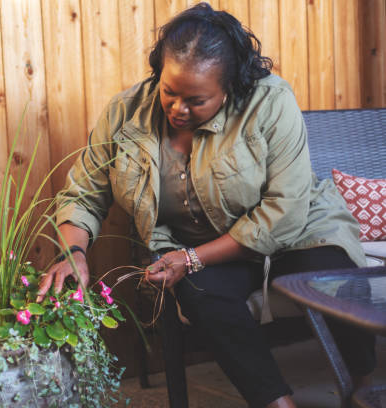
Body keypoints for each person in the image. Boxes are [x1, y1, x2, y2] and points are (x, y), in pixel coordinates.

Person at [36, 3, 376, 407]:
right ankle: (277, 402)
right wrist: (74, 252)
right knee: (200, 293)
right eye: (169, 92)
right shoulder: (125, 112)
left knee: (329, 276)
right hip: (209, 251)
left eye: (196, 100)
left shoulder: (270, 101)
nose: (178, 109)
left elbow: (284, 210)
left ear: (229, 86)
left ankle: (363, 384)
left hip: (299, 232)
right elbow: (84, 191)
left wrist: (191, 257)